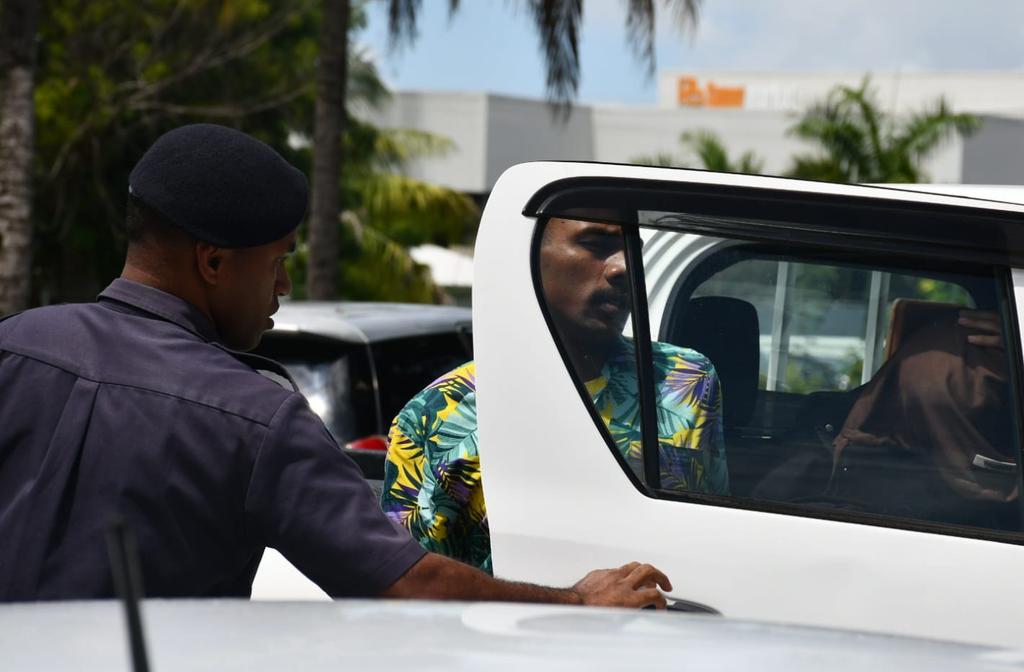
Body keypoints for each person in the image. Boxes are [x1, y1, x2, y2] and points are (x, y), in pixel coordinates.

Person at [0, 124, 670, 608]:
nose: (284, 288)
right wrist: (577, 602)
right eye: (279, 261)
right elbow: (402, 581)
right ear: (212, 262)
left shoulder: (16, 344)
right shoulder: (254, 416)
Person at [382, 217, 729, 573]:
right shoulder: (438, 413)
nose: (624, 267)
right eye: (596, 244)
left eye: (632, 250)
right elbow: (418, 584)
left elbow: (715, 532)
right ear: (530, 258)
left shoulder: (684, 379)